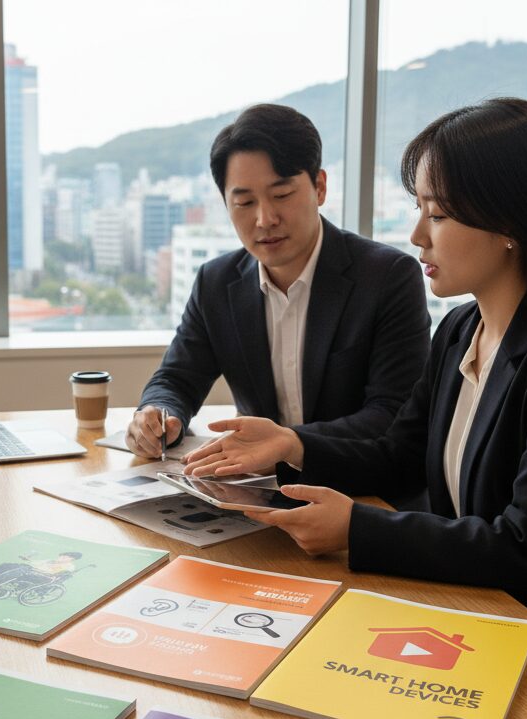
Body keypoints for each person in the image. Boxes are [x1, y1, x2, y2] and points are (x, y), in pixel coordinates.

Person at [184, 98, 527, 693]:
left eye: (437, 215)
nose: (416, 236)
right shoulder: (461, 329)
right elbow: (397, 456)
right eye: (419, 210)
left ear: (509, 222)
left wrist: (357, 530)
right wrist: (291, 446)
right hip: (480, 615)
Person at [125, 103, 429, 459]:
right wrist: (159, 415)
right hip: (254, 482)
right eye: (244, 202)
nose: (265, 219)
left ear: (319, 187)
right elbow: (177, 378)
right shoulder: (216, 282)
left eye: (281, 195)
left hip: (354, 481)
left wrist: (286, 445)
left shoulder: (387, 277)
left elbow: (393, 413)